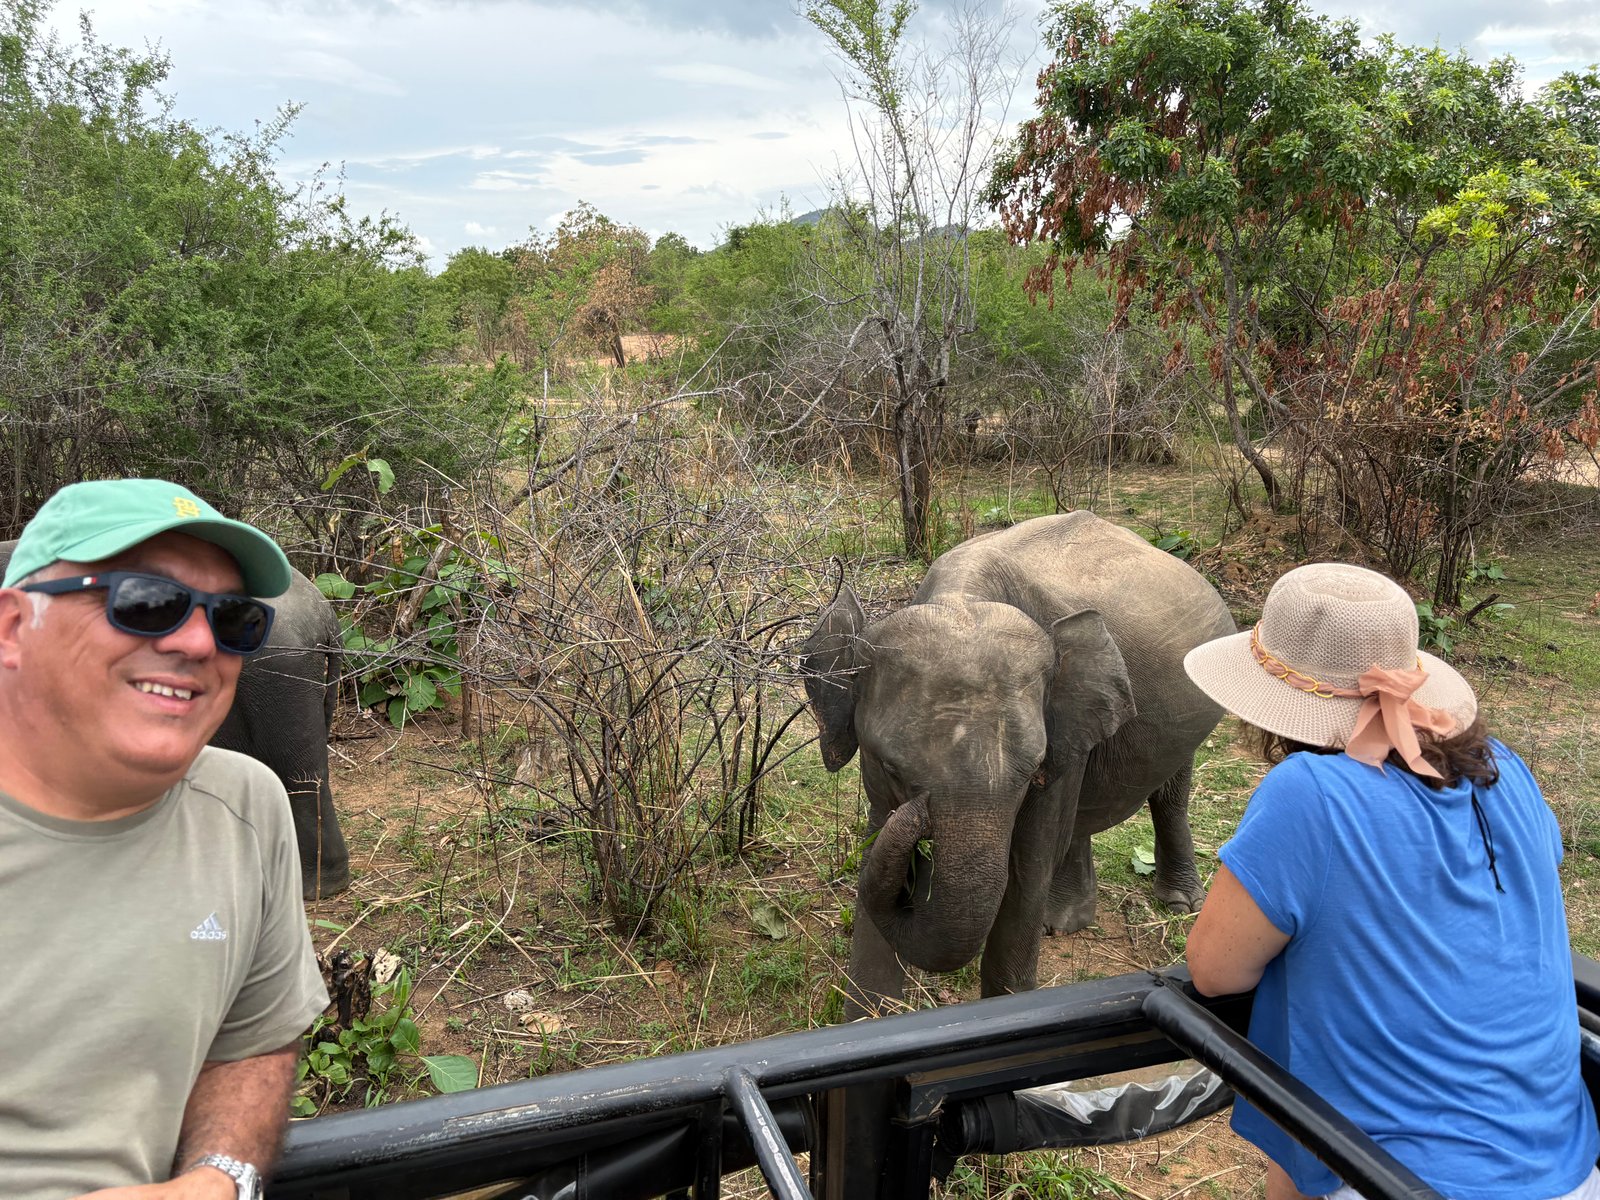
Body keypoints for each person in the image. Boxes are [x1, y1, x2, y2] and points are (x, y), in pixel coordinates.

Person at [1181, 561, 1598, 1200]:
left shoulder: (1307, 794)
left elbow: (1216, 971)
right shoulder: (1505, 770)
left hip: (1399, 1179)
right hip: (1566, 1166)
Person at [0, 479, 330, 1200]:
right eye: (145, 603)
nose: (196, 641)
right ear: (12, 626)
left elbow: (254, 1039)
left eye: (237, 618)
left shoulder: (244, 808)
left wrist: (220, 1181)